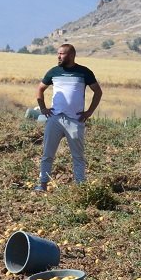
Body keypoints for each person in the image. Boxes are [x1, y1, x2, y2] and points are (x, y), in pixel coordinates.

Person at [35, 43, 102, 191]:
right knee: (47, 153)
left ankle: (80, 187)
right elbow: (40, 88)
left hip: (75, 120)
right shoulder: (54, 72)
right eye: (58, 54)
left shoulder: (84, 72)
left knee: (78, 156)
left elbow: (98, 91)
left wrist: (89, 112)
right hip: (55, 118)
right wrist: (43, 108)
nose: (58, 56)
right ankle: (42, 183)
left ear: (71, 55)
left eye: (62, 54)